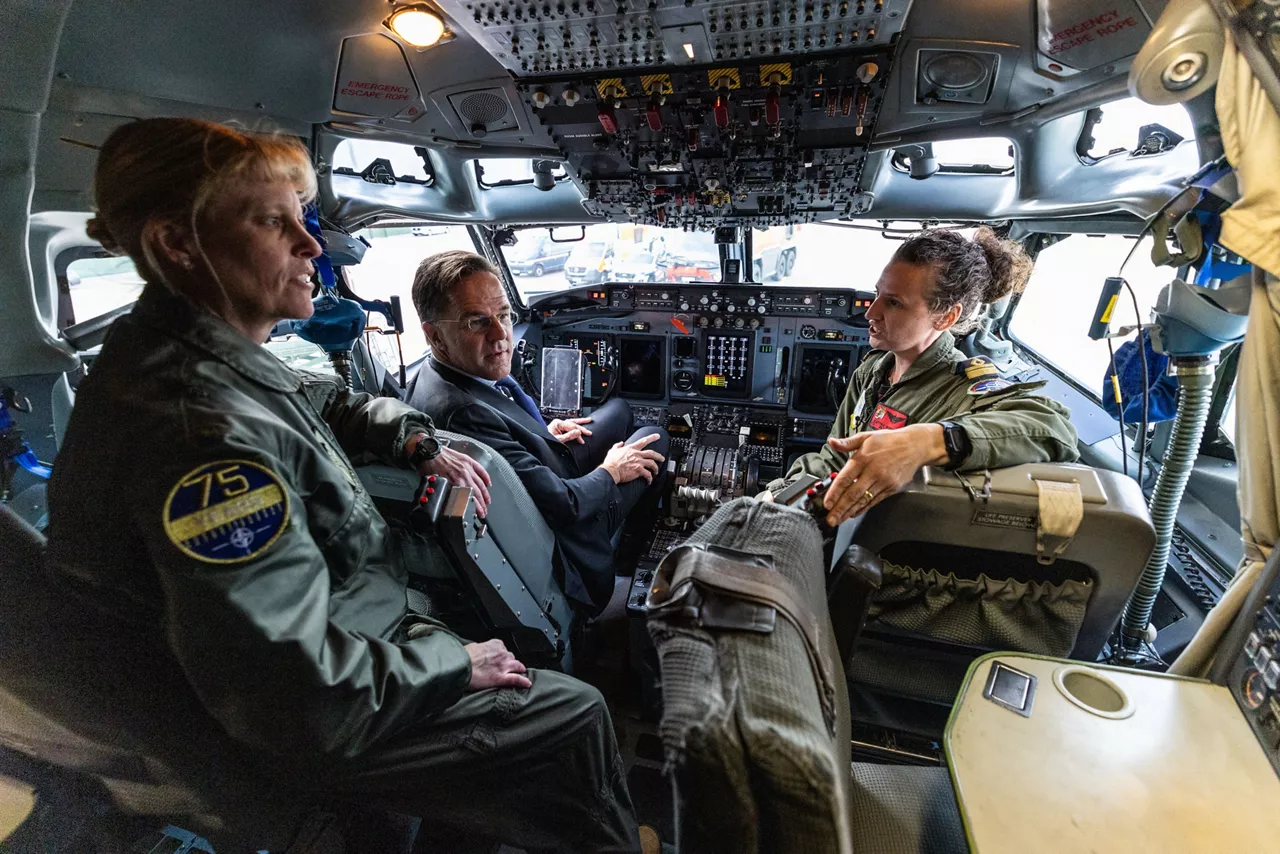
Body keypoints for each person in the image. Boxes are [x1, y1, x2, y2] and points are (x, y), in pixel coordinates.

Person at [44, 118, 641, 853]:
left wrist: (416, 440)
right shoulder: (202, 439)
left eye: (304, 218)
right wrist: (456, 660)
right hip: (296, 715)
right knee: (574, 714)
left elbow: (331, 401)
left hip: (354, 629)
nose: (311, 245)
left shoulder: (200, 356)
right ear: (177, 244)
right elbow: (294, 692)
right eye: (274, 222)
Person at [406, 251, 669, 613]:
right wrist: (612, 470)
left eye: (503, 315)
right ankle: (629, 555)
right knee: (656, 437)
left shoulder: (438, 377)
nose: (501, 336)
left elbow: (505, 445)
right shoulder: (462, 414)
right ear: (435, 335)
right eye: (476, 322)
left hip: (544, 474)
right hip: (568, 530)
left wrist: (540, 430)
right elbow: (565, 504)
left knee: (621, 410)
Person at [763, 227, 1079, 526]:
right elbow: (833, 459)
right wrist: (778, 494)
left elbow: (1056, 428)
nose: (871, 312)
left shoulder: (962, 387)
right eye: (877, 294)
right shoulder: (872, 370)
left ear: (946, 317)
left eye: (894, 303)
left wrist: (927, 442)